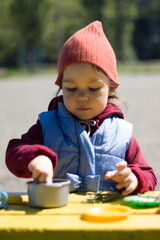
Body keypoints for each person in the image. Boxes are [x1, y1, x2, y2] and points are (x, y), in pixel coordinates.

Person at [5, 21, 157, 195]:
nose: (82, 96)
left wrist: (134, 178)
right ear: (61, 86)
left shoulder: (121, 132)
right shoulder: (48, 125)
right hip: (55, 217)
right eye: (71, 88)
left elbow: (149, 175)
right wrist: (35, 157)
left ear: (111, 89)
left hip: (106, 218)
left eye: (93, 88)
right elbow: (14, 151)